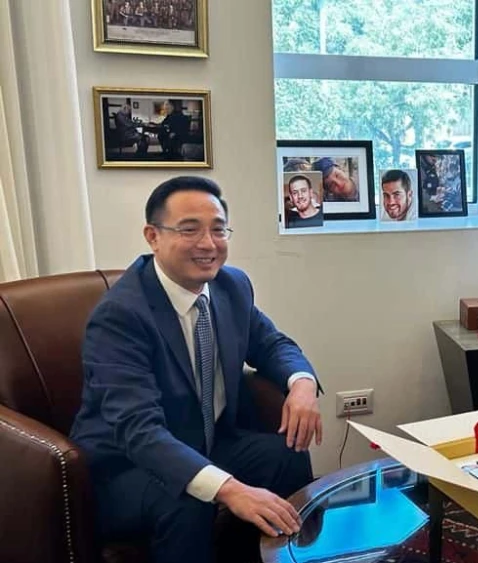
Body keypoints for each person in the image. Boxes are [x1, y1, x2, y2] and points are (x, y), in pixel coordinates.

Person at [69, 176, 324, 563]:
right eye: (190, 230)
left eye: (218, 230)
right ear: (153, 236)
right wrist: (230, 489)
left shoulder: (231, 286)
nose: (208, 244)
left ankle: (288, 557)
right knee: (190, 501)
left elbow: (272, 344)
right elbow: (139, 431)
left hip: (208, 442)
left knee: (285, 454)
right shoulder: (120, 316)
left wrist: (302, 384)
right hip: (127, 465)